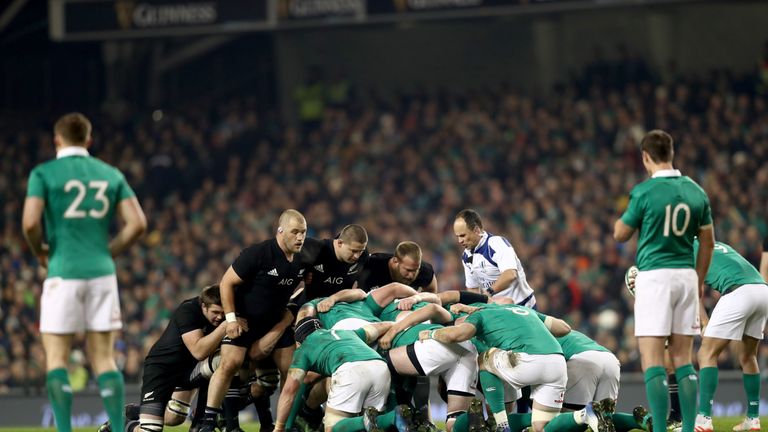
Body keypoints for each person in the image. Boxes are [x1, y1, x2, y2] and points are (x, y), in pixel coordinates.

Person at [22, 112, 147, 432]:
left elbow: (31, 222)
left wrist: (40, 252)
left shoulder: (43, 173)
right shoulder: (110, 173)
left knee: (57, 358)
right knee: (104, 358)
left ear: (57, 141)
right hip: (101, 273)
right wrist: (108, 251)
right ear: (89, 141)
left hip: (62, 270)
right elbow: (137, 224)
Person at [613, 129, 715, 432]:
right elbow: (707, 243)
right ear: (671, 154)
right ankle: (686, 429)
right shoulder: (697, 191)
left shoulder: (644, 193)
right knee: (684, 358)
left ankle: (659, 429)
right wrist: (698, 281)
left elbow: (621, 234)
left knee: (653, 359)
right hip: (686, 276)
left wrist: (625, 218)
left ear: (646, 157)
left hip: (655, 277)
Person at [419, 304, 615, 432]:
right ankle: (584, 414)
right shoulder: (524, 311)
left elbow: (456, 335)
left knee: (483, 360)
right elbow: (564, 328)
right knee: (542, 426)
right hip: (557, 363)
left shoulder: (480, 317)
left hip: (528, 361)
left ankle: (501, 425)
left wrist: (432, 335)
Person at [198, 209, 309, 432]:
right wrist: (230, 320)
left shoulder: (305, 259)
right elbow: (226, 283)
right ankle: (208, 422)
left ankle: (287, 423)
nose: (300, 237)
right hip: (245, 321)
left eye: (303, 232)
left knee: (293, 371)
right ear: (280, 231)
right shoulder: (258, 254)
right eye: (294, 232)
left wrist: (292, 309)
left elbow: (309, 286)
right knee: (230, 364)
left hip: (276, 321)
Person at [97, 285, 231, 432]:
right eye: (215, 312)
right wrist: (225, 326)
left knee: (222, 361)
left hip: (189, 370)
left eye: (223, 313)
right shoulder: (188, 311)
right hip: (162, 370)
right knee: (152, 430)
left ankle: (201, 422)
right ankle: (121, 423)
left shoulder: (219, 313)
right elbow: (199, 351)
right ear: (204, 306)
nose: (220, 317)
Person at [691, 240, 768, 432]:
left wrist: (704, 321)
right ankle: (753, 418)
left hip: (738, 291)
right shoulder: (715, 243)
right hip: (762, 290)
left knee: (706, 354)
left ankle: (704, 419)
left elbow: (694, 291)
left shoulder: (683, 250)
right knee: (748, 356)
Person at [273, 317, 400, 432]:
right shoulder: (346, 333)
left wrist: (279, 427)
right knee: (368, 427)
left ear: (299, 342)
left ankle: (392, 417)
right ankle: (399, 416)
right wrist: (398, 326)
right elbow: (383, 325)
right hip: (380, 367)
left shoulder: (303, 349)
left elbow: (289, 391)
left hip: (350, 371)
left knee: (332, 428)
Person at [453, 209, 535, 308]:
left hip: (522, 306)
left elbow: (510, 274)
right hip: (497, 310)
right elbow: (473, 289)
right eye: (457, 236)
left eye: (463, 235)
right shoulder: (466, 256)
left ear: (476, 230)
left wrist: (488, 293)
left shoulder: (496, 244)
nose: (460, 241)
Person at [299, 224, 369, 302]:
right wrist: (302, 271)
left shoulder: (364, 256)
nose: (357, 256)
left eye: (360, 251)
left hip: (340, 308)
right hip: (310, 303)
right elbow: (291, 253)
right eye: (354, 251)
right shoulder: (318, 248)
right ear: (339, 243)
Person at [357, 241, 438, 293]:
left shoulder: (425, 271)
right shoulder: (373, 264)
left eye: (415, 270)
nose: (411, 275)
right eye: (408, 270)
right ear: (395, 261)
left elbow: (432, 293)